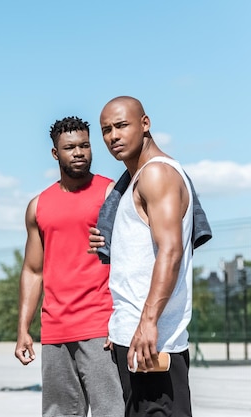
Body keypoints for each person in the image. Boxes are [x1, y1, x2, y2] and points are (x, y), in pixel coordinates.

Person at [14, 116, 124, 416]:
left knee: (111, 412)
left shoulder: (110, 194)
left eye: (85, 145)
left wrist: (124, 319)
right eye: (70, 147)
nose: (78, 152)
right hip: (55, 329)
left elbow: (131, 260)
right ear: (55, 153)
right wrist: (23, 328)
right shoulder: (39, 205)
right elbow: (33, 270)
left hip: (101, 326)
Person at [93, 96, 196, 416]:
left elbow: (171, 250)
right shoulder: (131, 184)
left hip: (154, 341)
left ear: (145, 124)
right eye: (106, 130)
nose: (114, 136)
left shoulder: (157, 175)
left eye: (122, 126)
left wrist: (148, 323)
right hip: (133, 336)